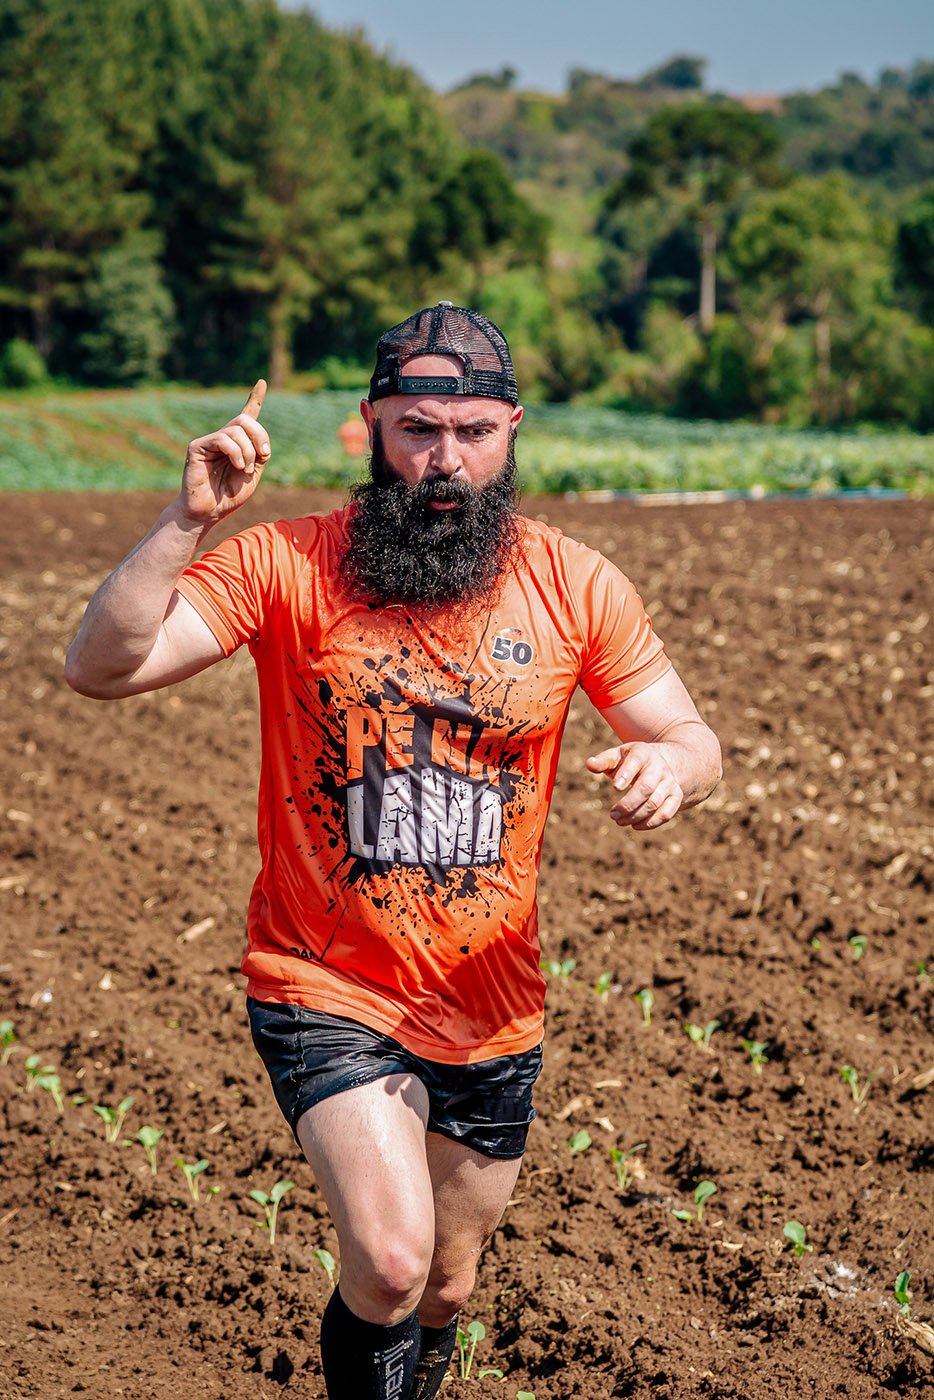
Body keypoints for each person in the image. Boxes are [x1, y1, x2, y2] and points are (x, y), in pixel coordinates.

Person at [66, 303, 721, 1400]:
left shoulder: (575, 583)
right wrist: (187, 522)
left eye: (472, 431)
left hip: (491, 999)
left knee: (446, 1285)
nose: (444, 459)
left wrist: (672, 767)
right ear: (371, 426)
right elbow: (100, 666)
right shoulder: (287, 562)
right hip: (324, 979)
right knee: (389, 1259)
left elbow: (694, 737)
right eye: (417, 429)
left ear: (512, 431)